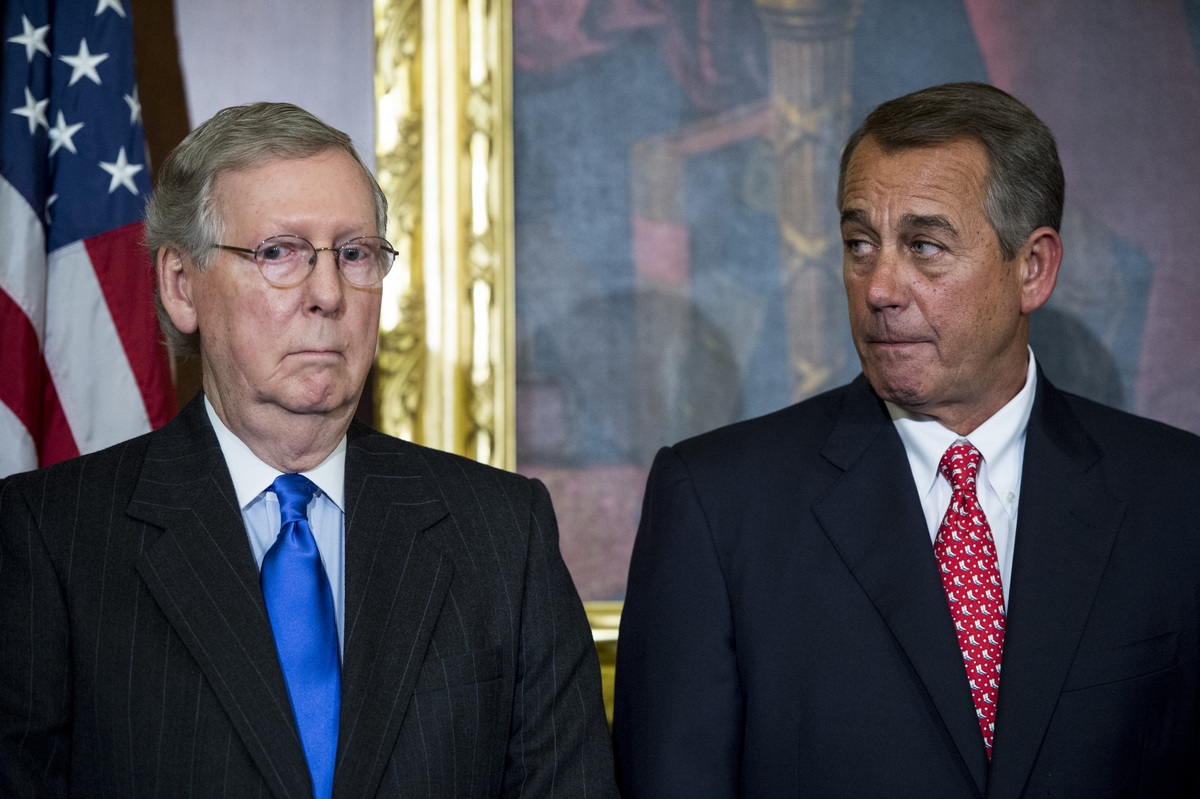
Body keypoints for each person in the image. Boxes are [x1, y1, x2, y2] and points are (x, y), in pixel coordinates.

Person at [0, 102, 616, 799]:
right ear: (181, 285)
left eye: (354, 254)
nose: (328, 293)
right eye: (280, 252)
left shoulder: (505, 531)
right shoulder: (51, 535)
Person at [613, 82, 1200, 797]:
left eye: (925, 246)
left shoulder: (1176, 498)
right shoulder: (716, 504)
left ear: (1034, 268)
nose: (880, 286)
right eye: (860, 243)